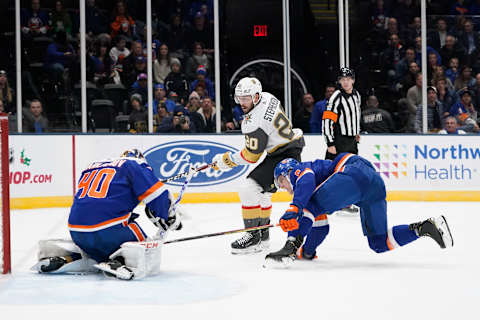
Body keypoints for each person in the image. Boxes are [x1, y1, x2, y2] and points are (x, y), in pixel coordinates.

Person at [264, 155, 454, 265]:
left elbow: (305, 181)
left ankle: (290, 247)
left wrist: (294, 209)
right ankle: (424, 228)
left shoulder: (298, 170)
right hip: (374, 185)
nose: (283, 188)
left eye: (281, 182)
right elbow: (321, 228)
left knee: (308, 204)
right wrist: (307, 252)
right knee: (379, 243)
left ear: (285, 173)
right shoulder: (317, 197)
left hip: (352, 171)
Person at [32, 149, 183, 280]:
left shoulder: (92, 167)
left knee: (96, 245)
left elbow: (93, 202)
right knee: (148, 252)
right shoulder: (134, 164)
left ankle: (72, 258)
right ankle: (122, 261)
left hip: (77, 231)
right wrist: (169, 217)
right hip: (108, 230)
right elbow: (158, 196)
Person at [211, 77, 305, 254]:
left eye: (246, 98)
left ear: (255, 97)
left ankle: (253, 236)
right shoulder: (268, 97)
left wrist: (225, 161)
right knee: (262, 191)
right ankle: (263, 235)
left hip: (283, 154)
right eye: (239, 98)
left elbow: (251, 156)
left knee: (248, 188)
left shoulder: (253, 122)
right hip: (289, 147)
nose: (242, 103)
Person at [323, 67, 361, 161]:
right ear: (339, 81)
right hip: (339, 141)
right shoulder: (336, 97)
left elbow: (356, 114)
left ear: (353, 80)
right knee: (333, 170)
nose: (346, 82)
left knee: (350, 169)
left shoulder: (356, 95)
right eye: (343, 79)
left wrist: (357, 131)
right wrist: (330, 143)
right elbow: (327, 121)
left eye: (348, 79)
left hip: (352, 142)